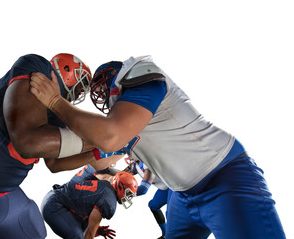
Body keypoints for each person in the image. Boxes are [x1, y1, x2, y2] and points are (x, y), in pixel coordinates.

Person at [29, 55, 286, 238]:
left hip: (225, 178)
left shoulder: (141, 75)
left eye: (105, 86)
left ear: (119, 78)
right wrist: (47, 152)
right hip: (183, 196)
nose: (102, 96)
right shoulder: (122, 127)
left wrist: (55, 101)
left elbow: (108, 137)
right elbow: (93, 160)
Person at [0, 53, 113, 239]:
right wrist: (100, 138)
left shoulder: (58, 110)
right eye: (81, 84)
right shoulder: (37, 67)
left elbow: (54, 164)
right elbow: (28, 141)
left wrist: (99, 151)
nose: (79, 93)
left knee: (33, 229)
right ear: (68, 70)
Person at [41, 164, 138, 239]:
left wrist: (96, 231)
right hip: (55, 205)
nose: (128, 198)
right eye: (128, 194)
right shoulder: (108, 199)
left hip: (57, 198)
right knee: (77, 236)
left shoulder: (102, 179)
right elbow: (89, 234)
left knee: (83, 226)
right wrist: (92, 231)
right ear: (120, 187)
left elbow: (84, 207)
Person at [127, 159, 172, 239]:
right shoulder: (135, 164)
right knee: (153, 206)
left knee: (171, 215)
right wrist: (106, 171)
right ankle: (165, 233)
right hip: (164, 189)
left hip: (173, 187)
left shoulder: (146, 162)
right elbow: (120, 175)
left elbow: (142, 190)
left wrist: (125, 193)